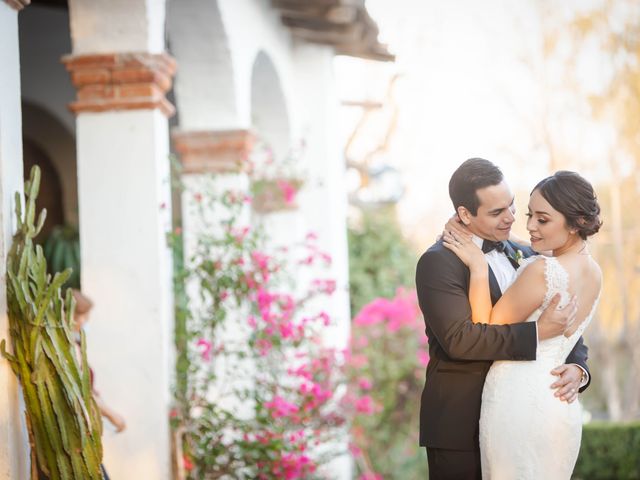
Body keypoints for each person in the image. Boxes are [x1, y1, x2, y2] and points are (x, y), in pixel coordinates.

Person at [415, 159, 591, 479]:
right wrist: (536, 333)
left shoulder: (528, 253)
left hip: (519, 415)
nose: (511, 218)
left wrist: (579, 368)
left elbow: (563, 316)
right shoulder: (437, 263)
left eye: (511, 206)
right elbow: (460, 340)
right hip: (460, 425)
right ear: (465, 214)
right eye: (497, 212)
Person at [72, 289, 127, 480]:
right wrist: (112, 415)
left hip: (81, 433)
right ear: (71, 317)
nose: (86, 322)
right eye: (84, 317)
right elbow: (82, 393)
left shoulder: (74, 347)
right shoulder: (70, 350)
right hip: (75, 435)